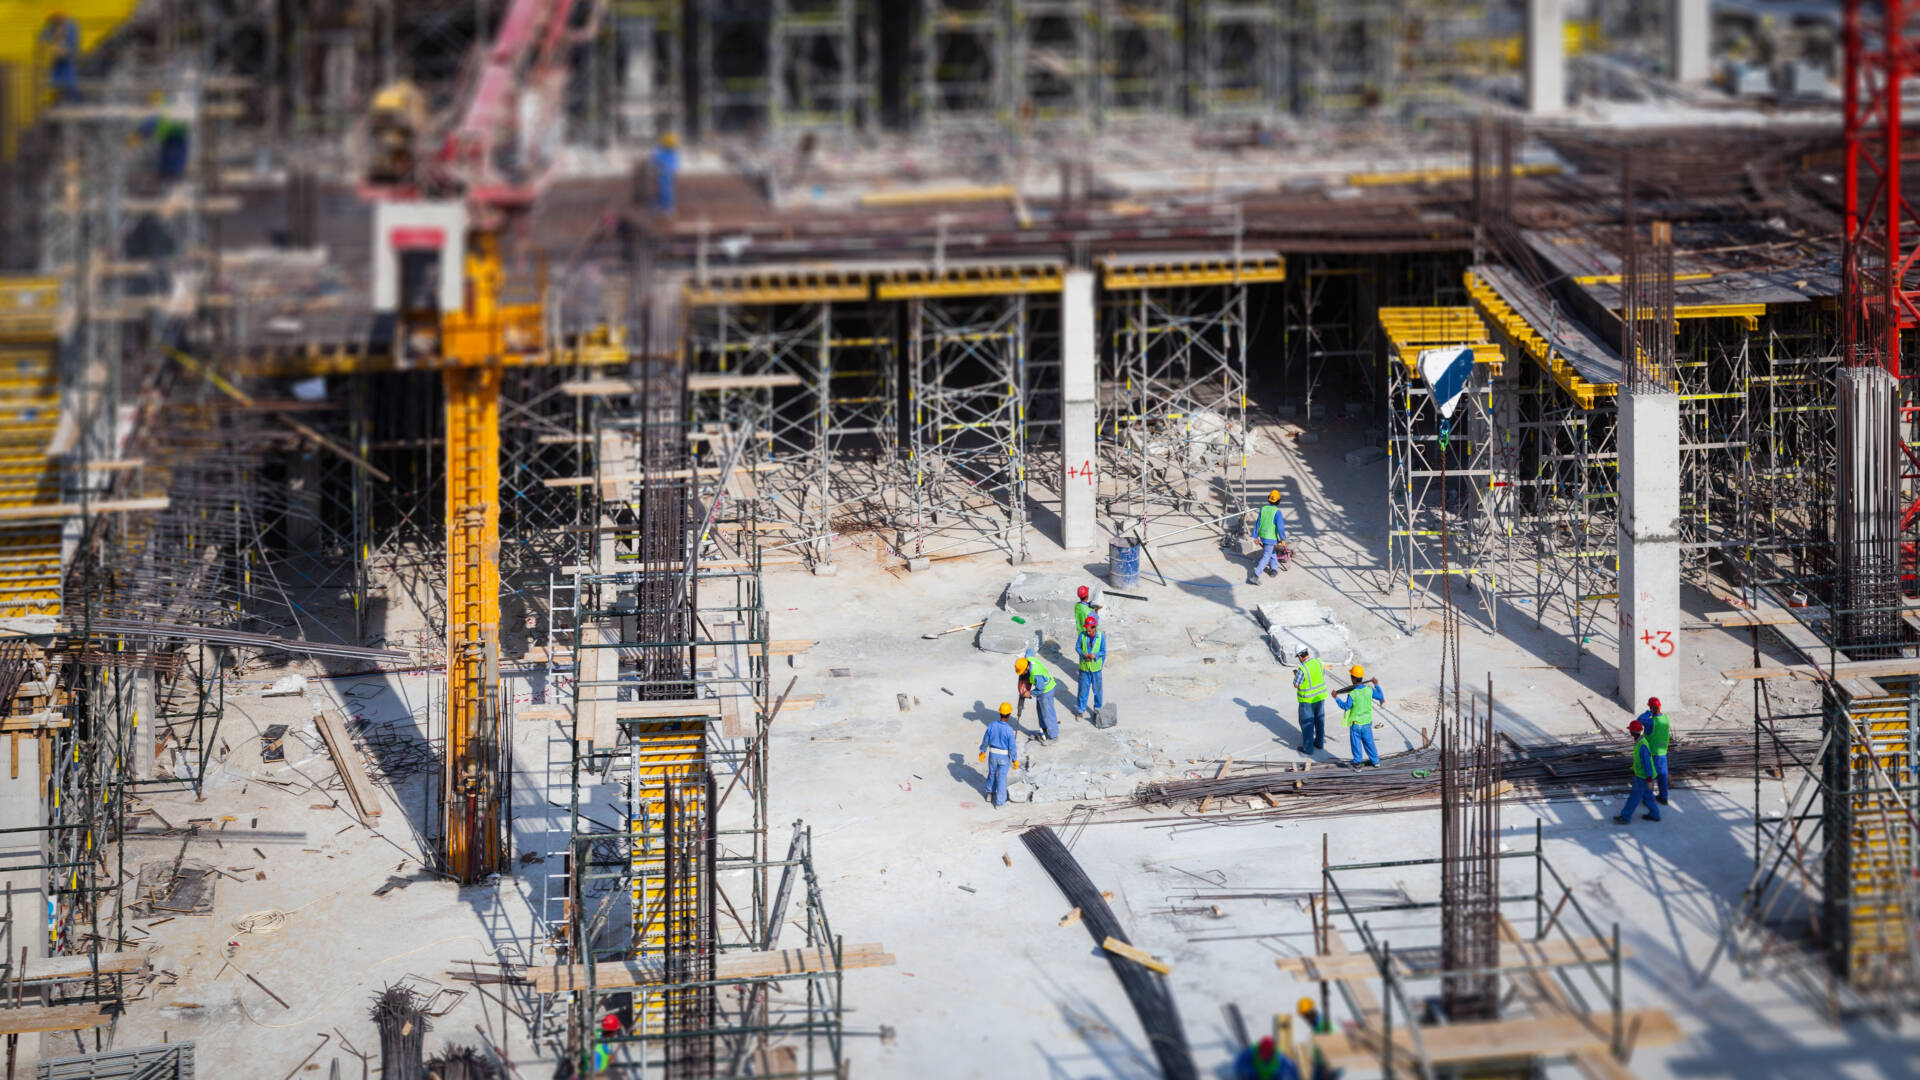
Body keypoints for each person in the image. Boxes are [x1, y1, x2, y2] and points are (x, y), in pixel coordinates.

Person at [1334, 664, 1384, 768]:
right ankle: (1375, 762)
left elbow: (1345, 706)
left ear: (1353, 678)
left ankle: (1357, 764)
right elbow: (1380, 696)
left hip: (1355, 724)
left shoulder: (1352, 693)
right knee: (1369, 743)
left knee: (1356, 744)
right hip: (1366, 723)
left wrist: (1336, 698)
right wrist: (1376, 685)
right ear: (1361, 677)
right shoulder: (1369, 690)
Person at [1615, 718, 1661, 825]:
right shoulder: (1640, 741)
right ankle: (1655, 814)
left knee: (1634, 797)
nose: (1629, 732)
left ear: (1633, 732)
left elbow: (1647, 762)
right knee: (1648, 796)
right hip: (1648, 777)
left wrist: (1648, 778)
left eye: (1630, 730)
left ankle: (1625, 817)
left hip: (1644, 778)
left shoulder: (1642, 746)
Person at [978, 702, 1020, 807]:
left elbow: (985, 740)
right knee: (1001, 778)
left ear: (1000, 713)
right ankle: (1000, 802)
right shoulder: (1009, 730)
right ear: (1009, 715)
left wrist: (982, 751)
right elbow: (1012, 747)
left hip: (993, 755)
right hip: (1004, 757)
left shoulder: (992, 725)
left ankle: (989, 794)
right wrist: (1014, 759)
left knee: (991, 774)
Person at [1637, 696, 1672, 804]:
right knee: (1663, 776)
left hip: (1652, 754)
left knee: (1649, 777)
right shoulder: (1666, 718)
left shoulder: (1651, 722)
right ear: (1660, 706)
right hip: (1663, 753)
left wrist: (1647, 713)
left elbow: (1638, 721)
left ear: (1651, 707)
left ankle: (1648, 799)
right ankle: (1663, 797)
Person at [1293, 646, 1328, 755]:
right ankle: (1319, 743)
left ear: (1299, 656)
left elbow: (1296, 684)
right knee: (1319, 721)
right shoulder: (1318, 662)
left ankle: (1308, 748)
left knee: (1307, 724)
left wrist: (1295, 675)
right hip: (1320, 698)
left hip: (1307, 700)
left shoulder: (1302, 669)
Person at [1015, 655, 1059, 741]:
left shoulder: (1036, 674)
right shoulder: (1029, 659)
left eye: (1022, 672)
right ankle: (1044, 732)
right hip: (1042, 691)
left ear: (1027, 667)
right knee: (1041, 712)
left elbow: (1041, 688)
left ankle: (1053, 736)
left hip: (1046, 691)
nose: (1022, 674)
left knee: (1048, 714)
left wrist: (1030, 693)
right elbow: (1030, 651)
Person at [1248, 490, 1287, 585]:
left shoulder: (1263, 509)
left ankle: (1274, 569)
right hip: (1271, 537)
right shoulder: (1277, 512)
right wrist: (1283, 539)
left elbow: (1258, 523)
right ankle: (1255, 576)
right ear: (1278, 501)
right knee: (1266, 556)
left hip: (1263, 535)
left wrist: (1255, 536)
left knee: (1271, 553)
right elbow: (1280, 527)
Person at [40, 13, 80, 104]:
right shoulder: (50, 30)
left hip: (66, 62)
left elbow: (72, 48)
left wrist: (64, 51)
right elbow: (42, 38)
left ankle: (72, 104)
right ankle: (59, 102)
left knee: (70, 86)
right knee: (55, 85)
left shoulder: (71, 27)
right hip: (57, 63)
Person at [1297, 997, 1337, 1080]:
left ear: (1311, 1014)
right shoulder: (1317, 1026)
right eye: (1304, 1018)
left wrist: (1327, 1068)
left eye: (1306, 1017)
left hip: (1326, 1067)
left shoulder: (1323, 1026)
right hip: (1320, 1066)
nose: (1306, 1020)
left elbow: (1331, 1047)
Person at [1074, 614, 1106, 716]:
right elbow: (1077, 647)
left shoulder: (1101, 637)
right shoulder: (1082, 635)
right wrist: (1084, 654)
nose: (1087, 632)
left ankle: (1097, 710)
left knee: (1097, 691)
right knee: (1083, 691)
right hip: (1084, 668)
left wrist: (1095, 655)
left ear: (1094, 627)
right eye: (1086, 630)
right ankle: (1080, 711)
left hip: (1096, 669)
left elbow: (1103, 651)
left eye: (1089, 630)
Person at [1233, 1035, 1299, 1080]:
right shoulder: (1252, 1051)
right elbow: (1239, 1064)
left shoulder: (1279, 1056)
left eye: (1268, 1053)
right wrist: (1249, 1070)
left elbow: (1291, 1069)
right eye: (1263, 1052)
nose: (1265, 1056)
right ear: (1260, 1049)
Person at [651, 131, 681, 214]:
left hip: (665, 172)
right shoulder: (662, 150)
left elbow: (655, 160)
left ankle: (667, 207)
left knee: (665, 190)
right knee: (663, 189)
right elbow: (655, 160)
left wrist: (659, 167)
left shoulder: (667, 151)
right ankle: (663, 205)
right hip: (663, 172)